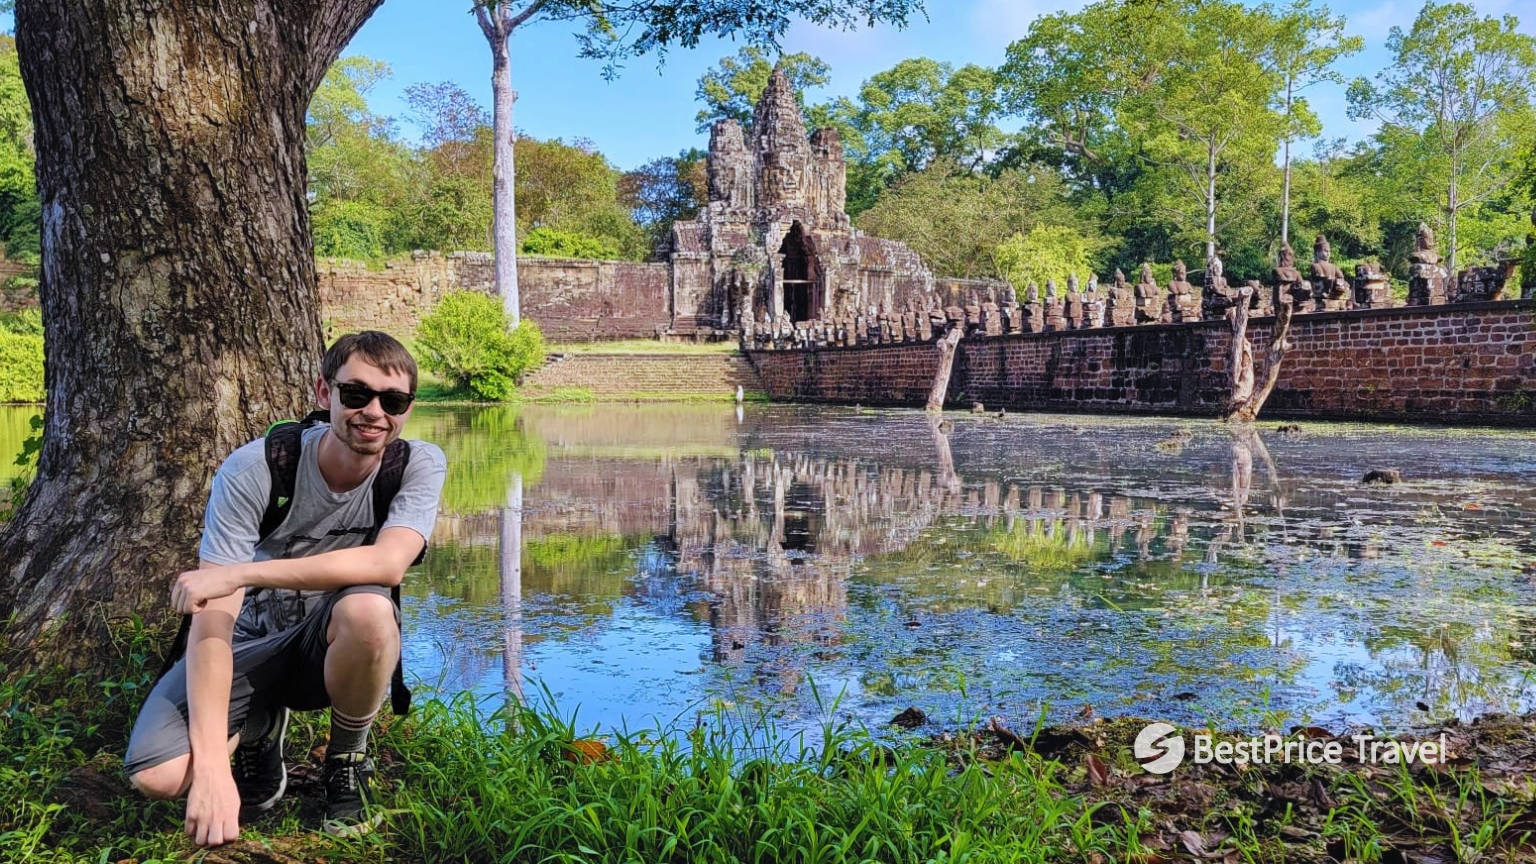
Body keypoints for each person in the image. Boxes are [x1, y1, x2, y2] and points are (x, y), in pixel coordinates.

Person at [123, 331, 447, 846]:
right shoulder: (255, 468)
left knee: (369, 609)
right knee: (157, 777)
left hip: (327, 645)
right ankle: (258, 730)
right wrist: (210, 770)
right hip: (247, 641)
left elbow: (388, 564)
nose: (374, 412)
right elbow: (213, 618)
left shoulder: (416, 465)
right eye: (356, 394)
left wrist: (242, 572)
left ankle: (345, 760)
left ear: (408, 407)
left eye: (394, 399)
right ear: (325, 393)